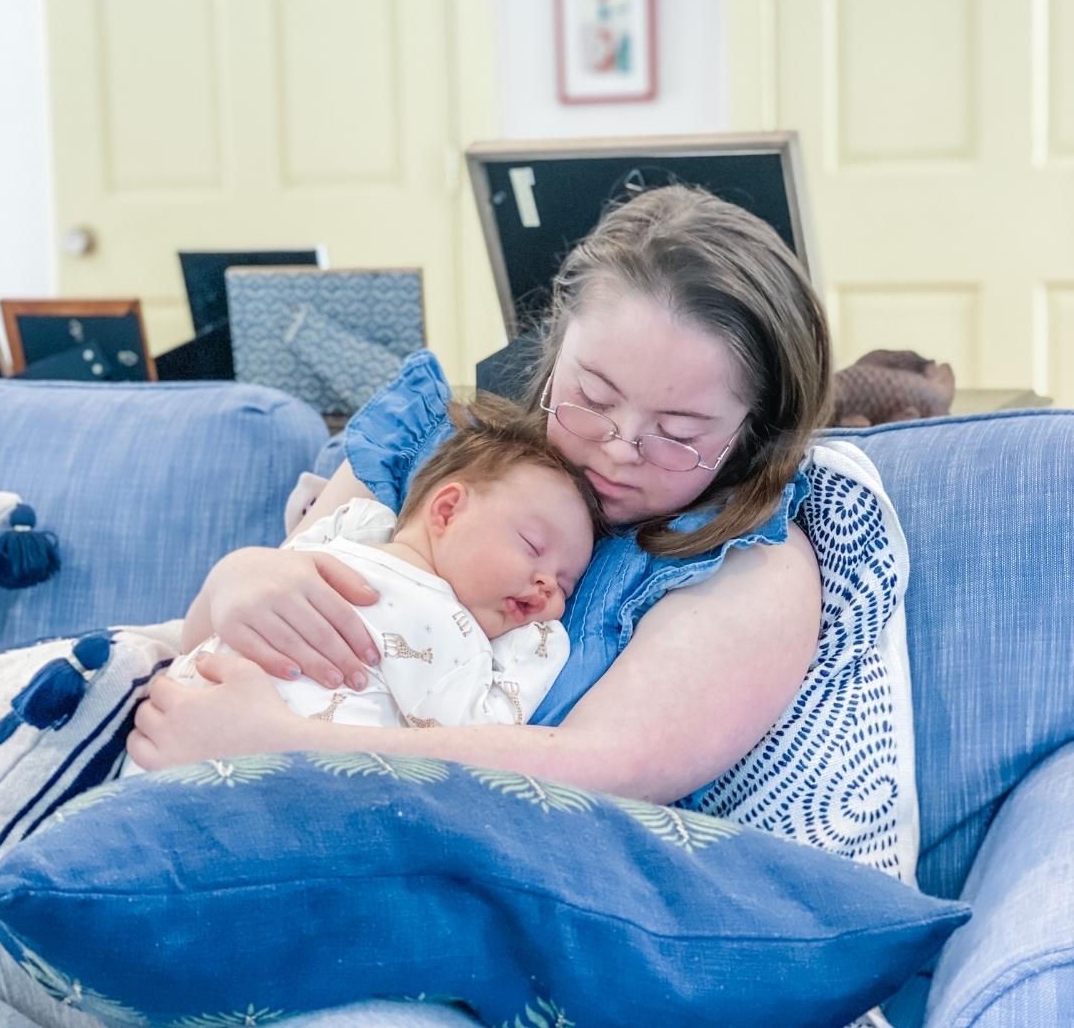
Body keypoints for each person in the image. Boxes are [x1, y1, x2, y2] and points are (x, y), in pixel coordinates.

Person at [127, 183, 831, 805]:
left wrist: (283, 753)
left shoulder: (753, 567)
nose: (619, 447)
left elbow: (607, 769)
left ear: (753, 433)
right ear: (554, 351)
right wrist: (233, 583)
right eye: (591, 395)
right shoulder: (439, 454)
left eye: (679, 433)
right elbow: (221, 658)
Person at [121, 397, 598, 781]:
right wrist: (234, 572)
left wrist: (531, 648)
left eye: (565, 585)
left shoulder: (467, 642)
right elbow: (204, 634)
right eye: (533, 545)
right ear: (448, 510)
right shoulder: (350, 533)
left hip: (275, 783)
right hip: (169, 733)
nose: (547, 586)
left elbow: (474, 744)